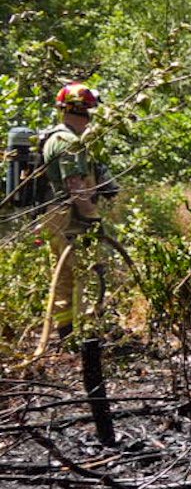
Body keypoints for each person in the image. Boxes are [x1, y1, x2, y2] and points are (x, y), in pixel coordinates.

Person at [40, 82, 109, 346]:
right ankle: (78, 338)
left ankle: (70, 335)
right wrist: (94, 217)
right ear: (86, 110)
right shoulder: (68, 142)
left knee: (66, 278)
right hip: (69, 218)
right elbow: (75, 188)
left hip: (57, 216)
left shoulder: (56, 137)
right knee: (81, 275)